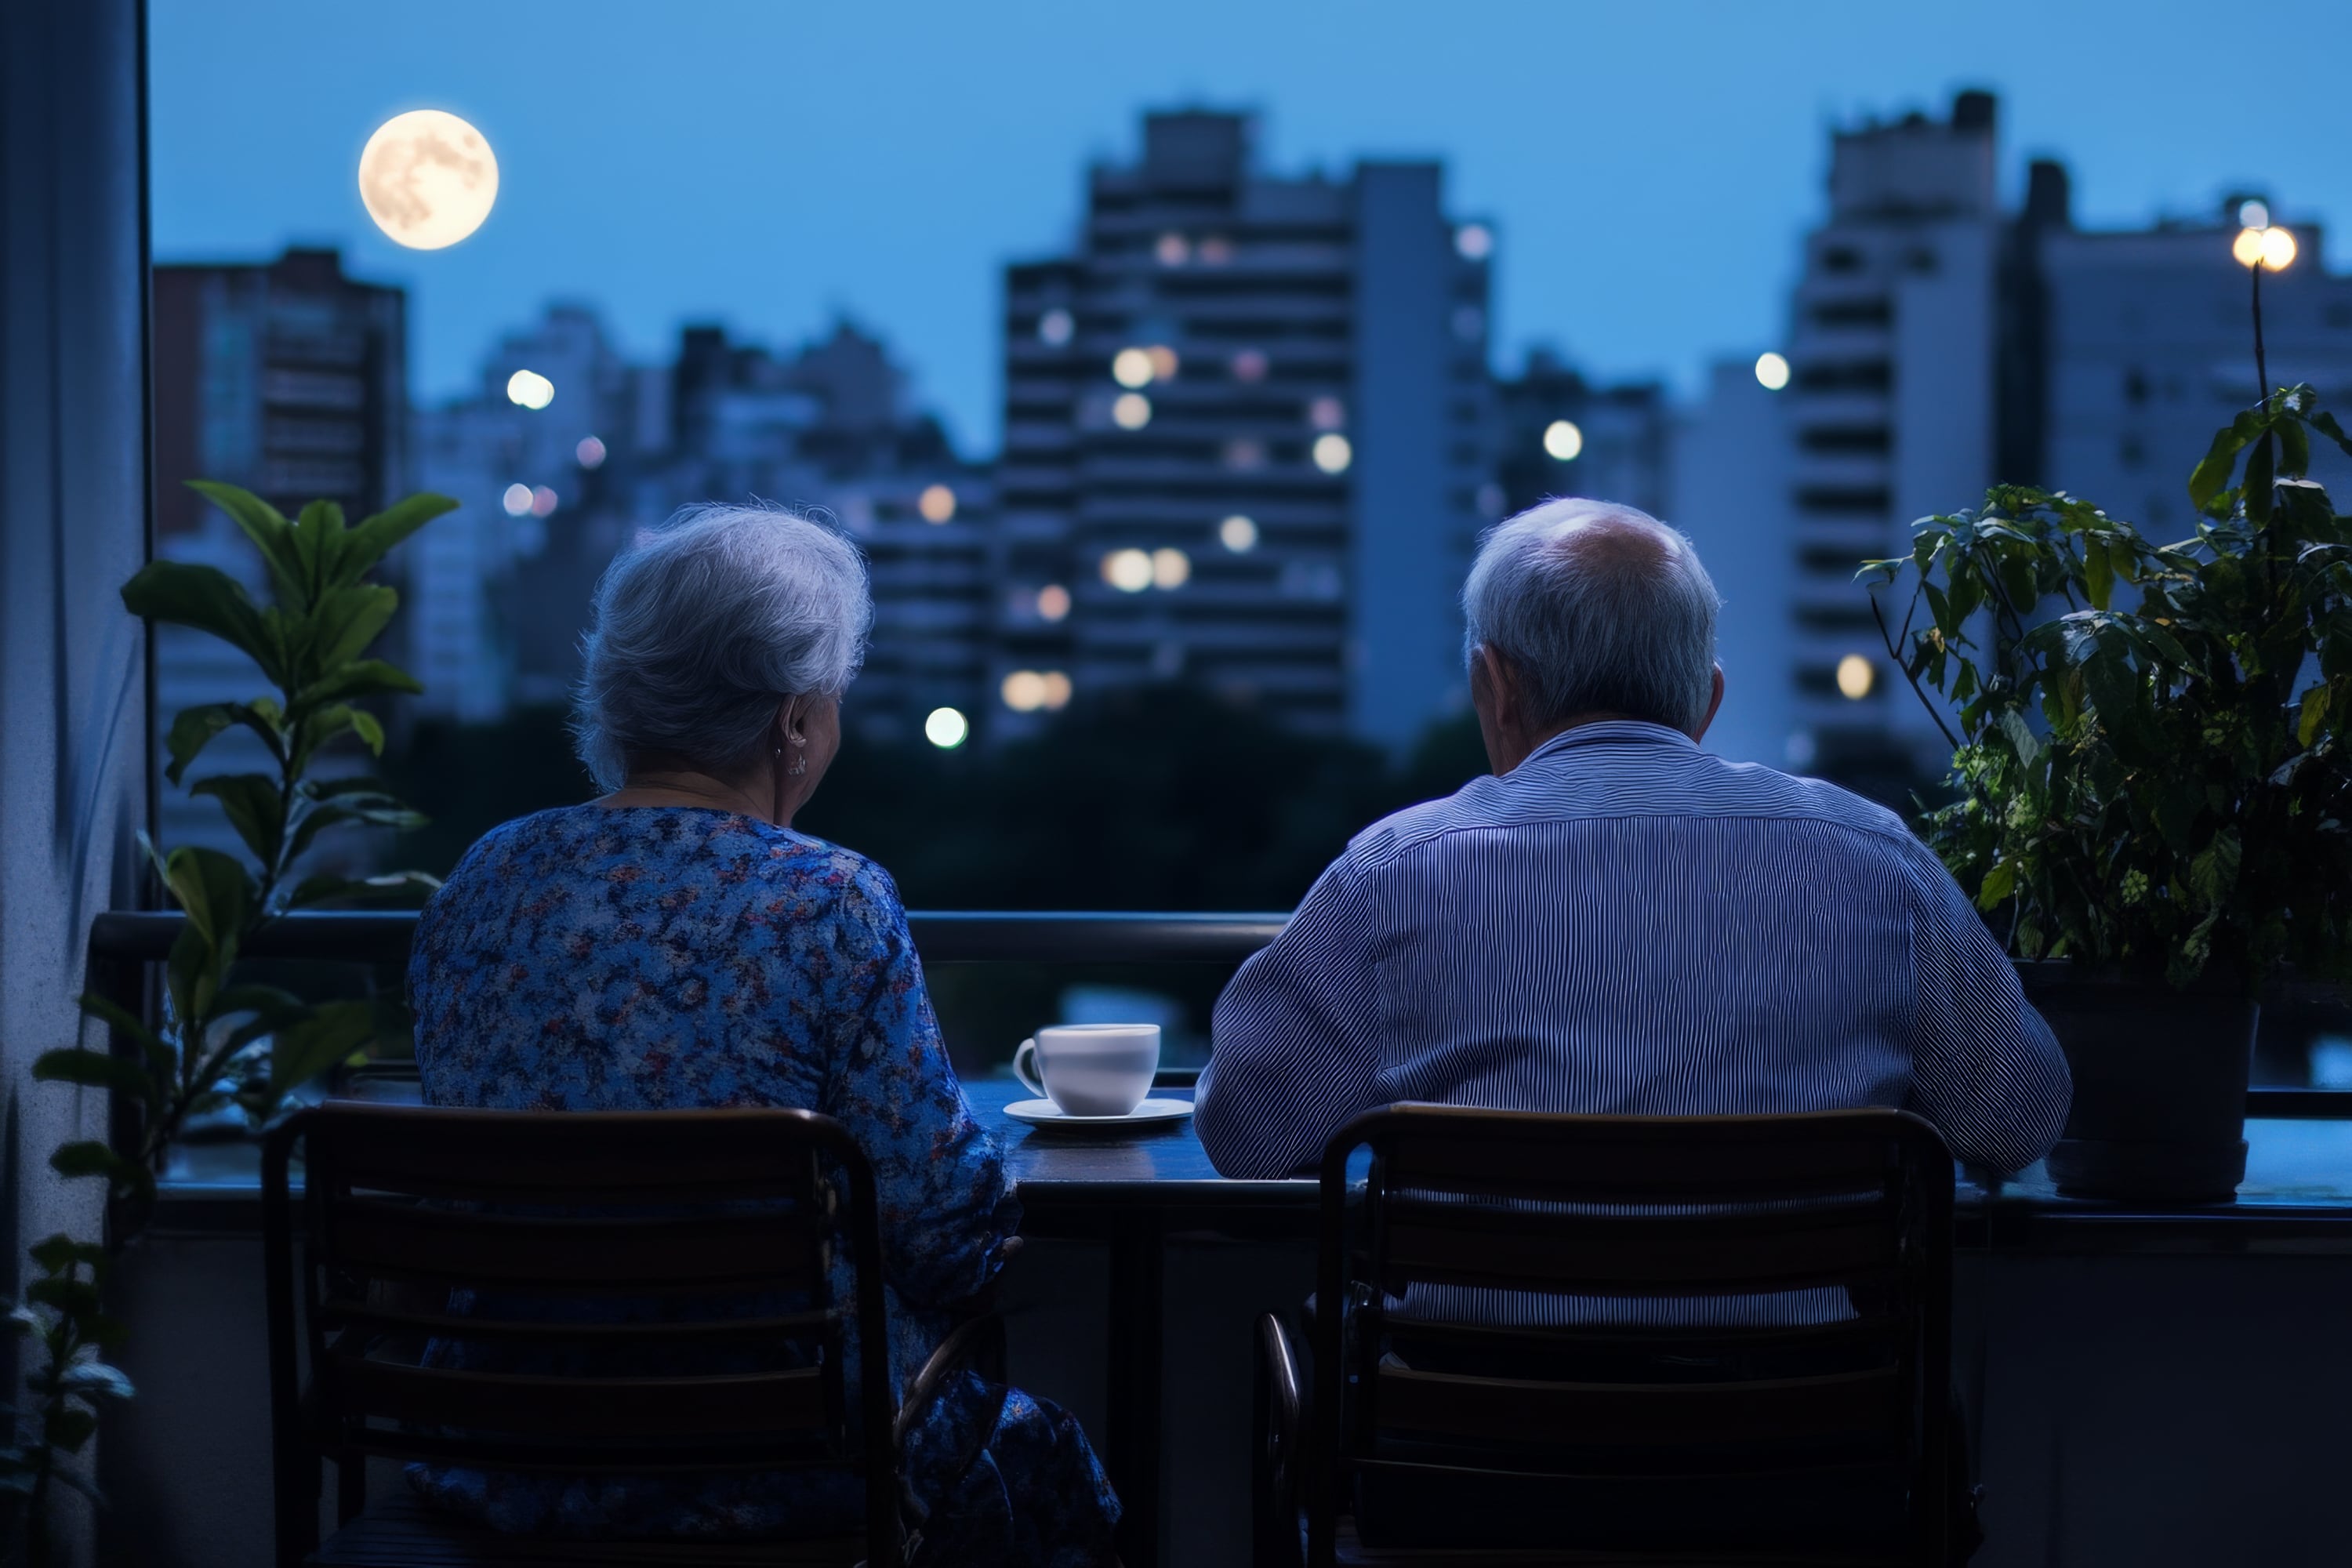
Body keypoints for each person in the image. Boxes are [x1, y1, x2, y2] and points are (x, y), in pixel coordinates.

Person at [406, 503, 1119, 1566]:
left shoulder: (480, 883)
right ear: (792, 724)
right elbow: (948, 1232)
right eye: (828, 704)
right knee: (1047, 1459)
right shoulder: (829, 901)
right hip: (786, 1469)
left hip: (502, 1453)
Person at [1196, 497, 2071, 1181]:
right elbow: (2019, 1117)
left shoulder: (1392, 877)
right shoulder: (1877, 859)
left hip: (1470, 1401)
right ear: (1708, 698)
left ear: (1496, 687)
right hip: (1796, 1403)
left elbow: (1247, 1131)